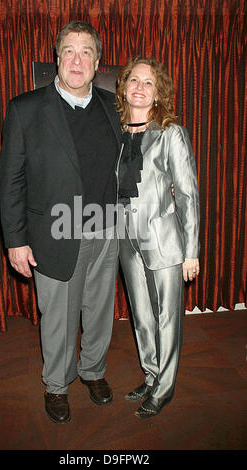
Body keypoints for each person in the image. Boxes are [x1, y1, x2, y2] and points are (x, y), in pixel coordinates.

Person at [0, 21, 121, 424]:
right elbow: (11, 180)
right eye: (69, 50)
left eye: (86, 52)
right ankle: (56, 384)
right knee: (58, 317)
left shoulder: (112, 106)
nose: (77, 59)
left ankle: (93, 371)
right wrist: (15, 241)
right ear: (56, 59)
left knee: (99, 311)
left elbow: (130, 162)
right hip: (54, 232)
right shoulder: (26, 109)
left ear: (97, 62)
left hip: (106, 229)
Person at [115, 57, 200, 419]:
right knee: (141, 316)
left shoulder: (170, 133)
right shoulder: (114, 132)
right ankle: (151, 375)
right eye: (134, 80)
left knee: (167, 317)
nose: (139, 87)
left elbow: (187, 194)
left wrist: (191, 251)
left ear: (157, 92)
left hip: (163, 239)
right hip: (126, 240)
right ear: (123, 87)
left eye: (148, 83)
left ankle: (164, 389)